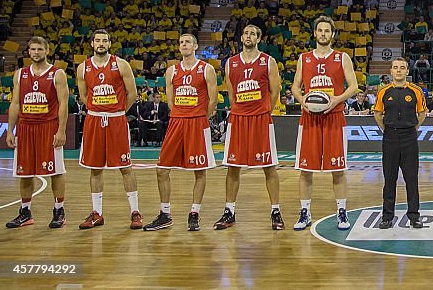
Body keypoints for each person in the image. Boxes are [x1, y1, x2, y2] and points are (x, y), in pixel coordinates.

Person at [143, 33, 218, 232]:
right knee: (162, 169)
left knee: (199, 171)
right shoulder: (171, 71)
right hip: (177, 122)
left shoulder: (206, 69)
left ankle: (194, 213)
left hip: (196, 123)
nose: (184, 45)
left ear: (195, 46)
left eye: (188, 42)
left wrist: (202, 118)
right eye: (181, 42)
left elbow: (213, 100)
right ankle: (165, 213)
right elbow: (170, 100)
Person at [291, 16, 360, 231]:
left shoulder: (342, 58)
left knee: (338, 169)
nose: (323, 34)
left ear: (332, 35)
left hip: (334, 117)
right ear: (314, 34)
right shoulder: (305, 58)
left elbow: (354, 87)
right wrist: (302, 100)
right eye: (319, 30)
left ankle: (341, 211)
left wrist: (335, 100)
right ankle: (305, 212)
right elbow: (295, 87)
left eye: (326, 31)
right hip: (310, 118)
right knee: (305, 170)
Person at [214, 24, 284, 231]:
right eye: (245, 33)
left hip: (260, 119)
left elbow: (275, 91)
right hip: (238, 119)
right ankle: (229, 211)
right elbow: (231, 93)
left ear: (259, 39)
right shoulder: (231, 63)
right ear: (241, 37)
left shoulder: (268, 61)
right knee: (233, 167)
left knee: (269, 166)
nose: (248, 36)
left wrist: (265, 111)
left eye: (253, 33)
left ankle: (275, 211)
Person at [77, 29, 143, 230]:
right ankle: (97, 213)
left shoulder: (120, 64)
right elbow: (83, 97)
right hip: (94, 120)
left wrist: (119, 111)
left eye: (105, 40)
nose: (101, 43)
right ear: (92, 43)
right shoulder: (83, 68)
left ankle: (135, 212)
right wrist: (98, 109)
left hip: (116, 120)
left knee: (125, 167)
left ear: (109, 43)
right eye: (97, 40)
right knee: (95, 168)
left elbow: (132, 93)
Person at [5, 36, 70, 228]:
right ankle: (25, 212)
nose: (36, 52)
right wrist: (10, 130)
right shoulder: (20, 74)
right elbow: (15, 103)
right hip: (25, 128)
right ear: (28, 51)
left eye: (39, 49)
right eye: (32, 49)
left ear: (47, 51)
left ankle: (59, 210)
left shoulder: (57, 74)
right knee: (25, 173)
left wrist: (61, 130)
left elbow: (64, 103)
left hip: (48, 127)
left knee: (56, 171)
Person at [372, 58, 427, 229]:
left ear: (407, 72)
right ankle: (387, 216)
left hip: (410, 138)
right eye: (395, 68)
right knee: (390, 179)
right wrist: (387, 129)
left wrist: (413, 128)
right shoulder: (383, 92)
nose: (398, 71)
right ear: (391, 71)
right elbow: (378, 114)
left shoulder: (416, 91)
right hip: (390, 138)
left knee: (412, 179)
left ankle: (414, 216)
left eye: (402, 68)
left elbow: (423, 112)